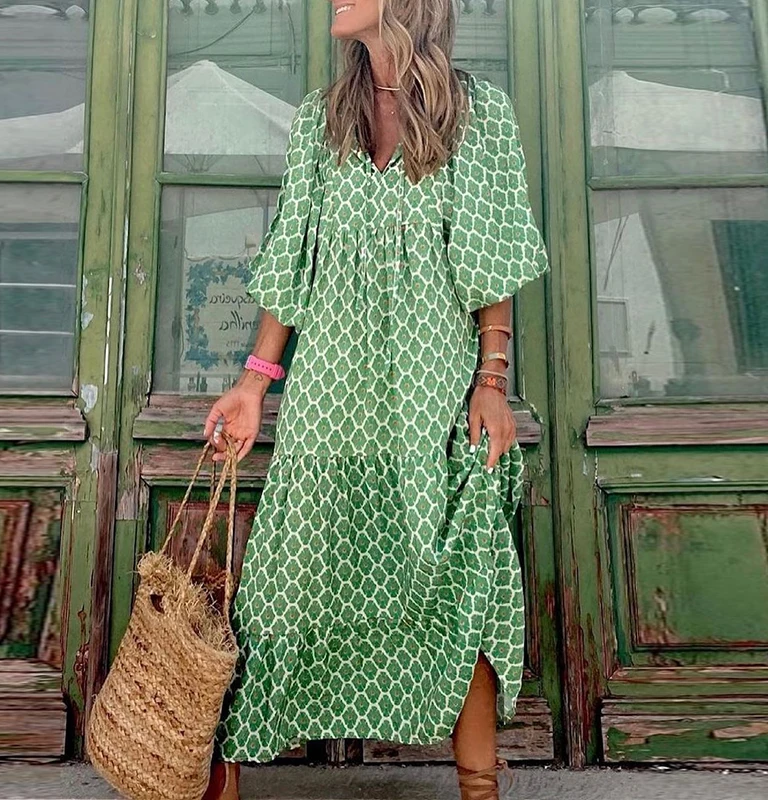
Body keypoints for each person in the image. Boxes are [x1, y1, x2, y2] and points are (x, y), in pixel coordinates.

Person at [201, 1, 549, 797]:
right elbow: (293, 259)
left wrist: (492, 381)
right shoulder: (321, 119)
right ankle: (225, 774)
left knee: (453, 581)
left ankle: (480, 787)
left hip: (431, 393)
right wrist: (254, 383)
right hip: (329, 399)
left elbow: (492, 256)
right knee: (287, 587)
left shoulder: (479, 114)